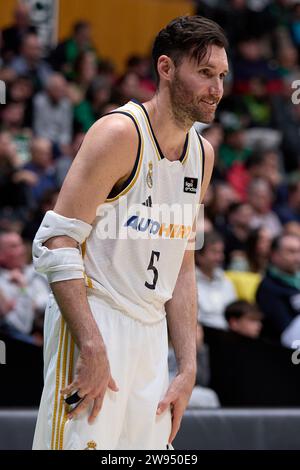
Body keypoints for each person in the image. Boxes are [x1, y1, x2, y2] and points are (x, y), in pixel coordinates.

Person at [32, 15, 228, 450]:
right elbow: (56, 241)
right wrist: (92, 344)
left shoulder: (203, 154)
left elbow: (183, 263)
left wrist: (187, 367)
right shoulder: (120, 133)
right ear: (166, 68)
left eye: (221, 76)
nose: (217, 88)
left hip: (151, 332)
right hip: (96, 317)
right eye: (205, 73)